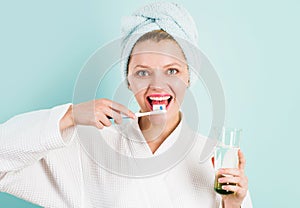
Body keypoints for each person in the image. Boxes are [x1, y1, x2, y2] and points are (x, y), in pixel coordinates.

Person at [0, 2, 252, 208]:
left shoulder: (215, 160)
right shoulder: (91, 147)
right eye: (143, 73)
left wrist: (232, 206)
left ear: (189, 76)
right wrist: (71, 115)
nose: (157, 85)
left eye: (172, 70)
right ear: (128, 80)